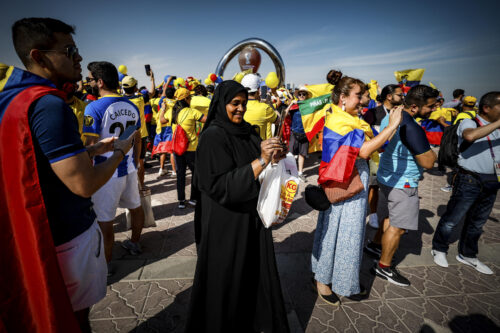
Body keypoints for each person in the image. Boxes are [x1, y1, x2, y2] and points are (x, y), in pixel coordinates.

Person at [1, 18, 135, 332]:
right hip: (67, 238)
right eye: (70, 50)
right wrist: (119, 152)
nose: (79, 58)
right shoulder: (48, 104)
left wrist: (90, 151)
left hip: (39, 230)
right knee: (74, 321)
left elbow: (35, 161)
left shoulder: (17, 100)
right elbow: (82, 183)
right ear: (39, 56)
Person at [186, 80, 289, 332]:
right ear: (222, 104)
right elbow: (220, 185)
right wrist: (261, 159)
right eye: (235, 103)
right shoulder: (213, 136)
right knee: (227, 279)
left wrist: (274, 156)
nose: (240, 109)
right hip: (226, 221)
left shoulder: (248, 131)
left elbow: (258, 166)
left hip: (250, 217)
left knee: (251, 275)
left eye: (243, 103)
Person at [311, 77, 403, 305]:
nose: (364, 100)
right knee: (337, 233)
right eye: (358, 95)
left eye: (363, 95)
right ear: (343, 98)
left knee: (348, 235)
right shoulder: (339, 121)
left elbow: (371, 143)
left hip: (353, 182)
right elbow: (362, 151)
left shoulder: (352, 118)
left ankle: (341, 279)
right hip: (344, 184)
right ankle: (323, 281)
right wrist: (391, 126)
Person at [372, 85, 438, 287]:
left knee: (393, 216)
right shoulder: (412, 127)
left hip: (388, 176)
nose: (434, 109)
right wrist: (433, 153)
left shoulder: (393, 114)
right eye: (430, 106)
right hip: (404, 182)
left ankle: (375, 245)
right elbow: (428, 162)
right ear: (415, 108)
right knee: (398, 227)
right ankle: (384, 267)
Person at [431, 91, 500, 275]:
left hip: (492, 180)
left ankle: (468, 254)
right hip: (469, 179)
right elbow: (470, 136)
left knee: (478, 222)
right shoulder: (470, 122)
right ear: (486, 108)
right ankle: (439, 247)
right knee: (452, 219)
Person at [83, 61, 145, 263]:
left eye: (90, 79)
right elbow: (136, 138)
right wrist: (135, 163)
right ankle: (135, 243)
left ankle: (106, 265)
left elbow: (91, 144)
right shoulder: (132, 105)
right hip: (127, 167)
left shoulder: (93, 107)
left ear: (100, 82)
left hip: (105, 171)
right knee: (135, 207)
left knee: (104, 220)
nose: (88, 82)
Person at [362, 84, 404, 230]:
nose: (402, 97)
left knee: (395, 187)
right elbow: (364, 133)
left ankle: (395, 219)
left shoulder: (402, 112)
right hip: (376, 157)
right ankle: (373, 213)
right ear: (389, 96)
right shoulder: (373, 113)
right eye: (400, 95)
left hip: (396, 157)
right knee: (373, 186)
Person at [171, 87, 207, 209]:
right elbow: (206, 120)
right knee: (196, 174)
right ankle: (193, 199)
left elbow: (162, 119)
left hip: (177, 149)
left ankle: (181, 201)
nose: (191, 99)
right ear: (186, 99)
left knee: (180, 174)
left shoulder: (173, 111)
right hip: (191, 149)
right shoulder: (192, 112)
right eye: (190, 97)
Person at [122, 75, 149, 189]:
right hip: (141, 133)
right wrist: (152, 78)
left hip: (126, 134)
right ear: (135, 88)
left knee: (125, 160)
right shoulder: (141, 99)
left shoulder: (120, 100)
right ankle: (141, 185)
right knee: (140, 162)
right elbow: (151, 92)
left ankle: (128, 187)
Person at [241, 73, 278, 140]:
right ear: (258, 91)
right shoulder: (265, 108)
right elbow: (279, 121)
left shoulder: (236, 107)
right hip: (259, 148)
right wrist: (270, 104)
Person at [153, 86, 176, 177]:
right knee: (171, 151)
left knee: (163, 150)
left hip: (161, 129)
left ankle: (161, 169)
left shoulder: (162, 102)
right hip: (171, 128)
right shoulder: (177, 103)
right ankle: (174, 171)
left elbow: (162, 95)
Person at [289, 86, 311, 181]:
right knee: (291, 154)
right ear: (297, 95)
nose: (301, 96)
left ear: (306, 96)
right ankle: (291, 172)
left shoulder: (310, 106)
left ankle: (300, 173)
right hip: (294, 132)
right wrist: (290, 105)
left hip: (305, 133)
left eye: (304, 94)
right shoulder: (294, 105)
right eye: (300, 94)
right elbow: (285, 114)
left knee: (302, 154)